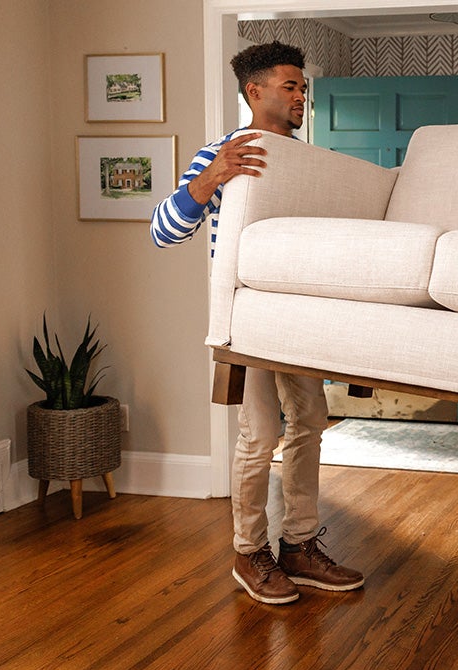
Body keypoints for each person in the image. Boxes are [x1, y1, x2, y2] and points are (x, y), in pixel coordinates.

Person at [151, 41, 364, 605]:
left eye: (302, 87)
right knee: (260, 433)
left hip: (301, 317)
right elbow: (163, 231)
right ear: (255, 91)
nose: (301, 95)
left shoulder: (307, 159)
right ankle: (249, 553)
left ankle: (299, 545)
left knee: (312, 420)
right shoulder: (223, 153)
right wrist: (211, 179)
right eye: (290, 86)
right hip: (247, 319)